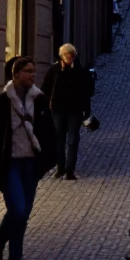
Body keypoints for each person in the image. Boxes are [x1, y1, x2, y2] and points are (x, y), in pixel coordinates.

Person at [0, 56, 55, 260]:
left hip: (31, 166)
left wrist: (48, 160)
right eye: (27, 71)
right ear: (15, 75)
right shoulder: (1, 104)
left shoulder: (39, 101)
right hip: (10, 166)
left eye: (34, 71)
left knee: (23, 214)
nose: (32, 75)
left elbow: (49, 133)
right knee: (17, 210)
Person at [40, 43, 94, 180]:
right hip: (57, 110)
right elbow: (45, 89)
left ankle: (70, 170)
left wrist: (86, 110)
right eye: (66, 56)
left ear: (74, 56)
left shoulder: (81, 72)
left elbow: (88, 91)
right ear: (62, 56)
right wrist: (45, 108)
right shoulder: (54, 71)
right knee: (59, 139)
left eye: (71, 56)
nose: (69, 58)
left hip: (75, 111)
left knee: (73, 140)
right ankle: (60, 167)